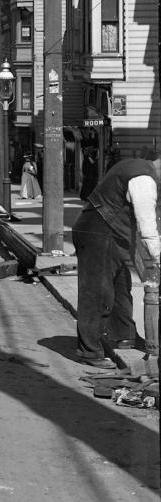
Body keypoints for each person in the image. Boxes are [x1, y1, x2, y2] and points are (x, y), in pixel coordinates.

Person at [71, 147, 161, 368]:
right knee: (98, 291)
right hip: (99, 231)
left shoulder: (136, 166)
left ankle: (124, 335)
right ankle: (89, 350)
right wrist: (158, 256)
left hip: (107, 230)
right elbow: (147, 225)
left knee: (121, 285)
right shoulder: (143, 180)